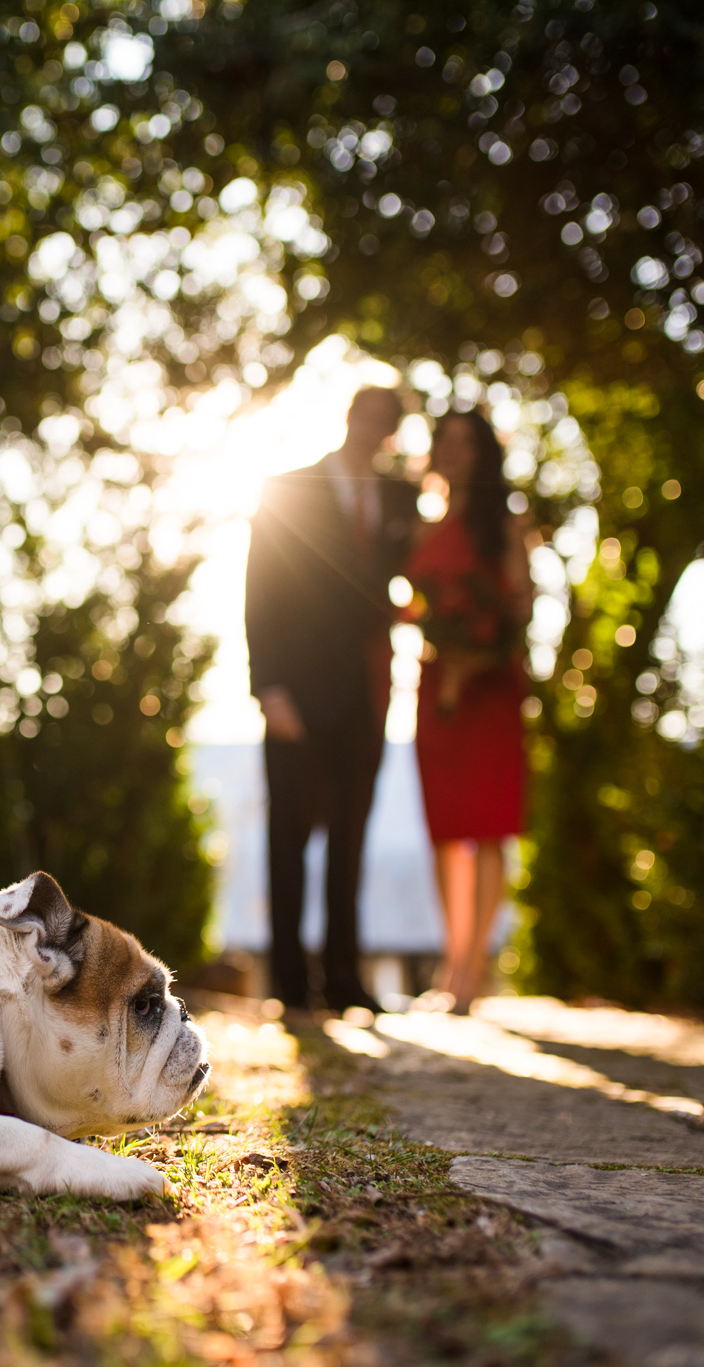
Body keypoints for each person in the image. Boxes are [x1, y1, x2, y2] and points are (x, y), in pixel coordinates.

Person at [245, 387, 417, 1012]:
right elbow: (260, 592)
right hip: (299, 691)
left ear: (394, 431)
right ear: (347, 417)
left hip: (368, 695)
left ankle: (345, 978)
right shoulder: (290, 489)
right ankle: (291, 987)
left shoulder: (403, 498)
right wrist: (269, 688)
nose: (374, 428)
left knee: (351, 840)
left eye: (387, 421)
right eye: (367, 415)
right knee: (287, 841)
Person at [402, 409, 533, 1013]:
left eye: (465, 443)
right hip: (436, 686)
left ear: (483, 454)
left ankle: (471, 972)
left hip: (488, 686)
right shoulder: (423, 528)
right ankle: (452, 959)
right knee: (446, 826)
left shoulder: (505, 525)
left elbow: (521, 606)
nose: (453, 452)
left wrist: (475, 660)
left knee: (487, 826)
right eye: (444, 442)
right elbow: (408, 606)